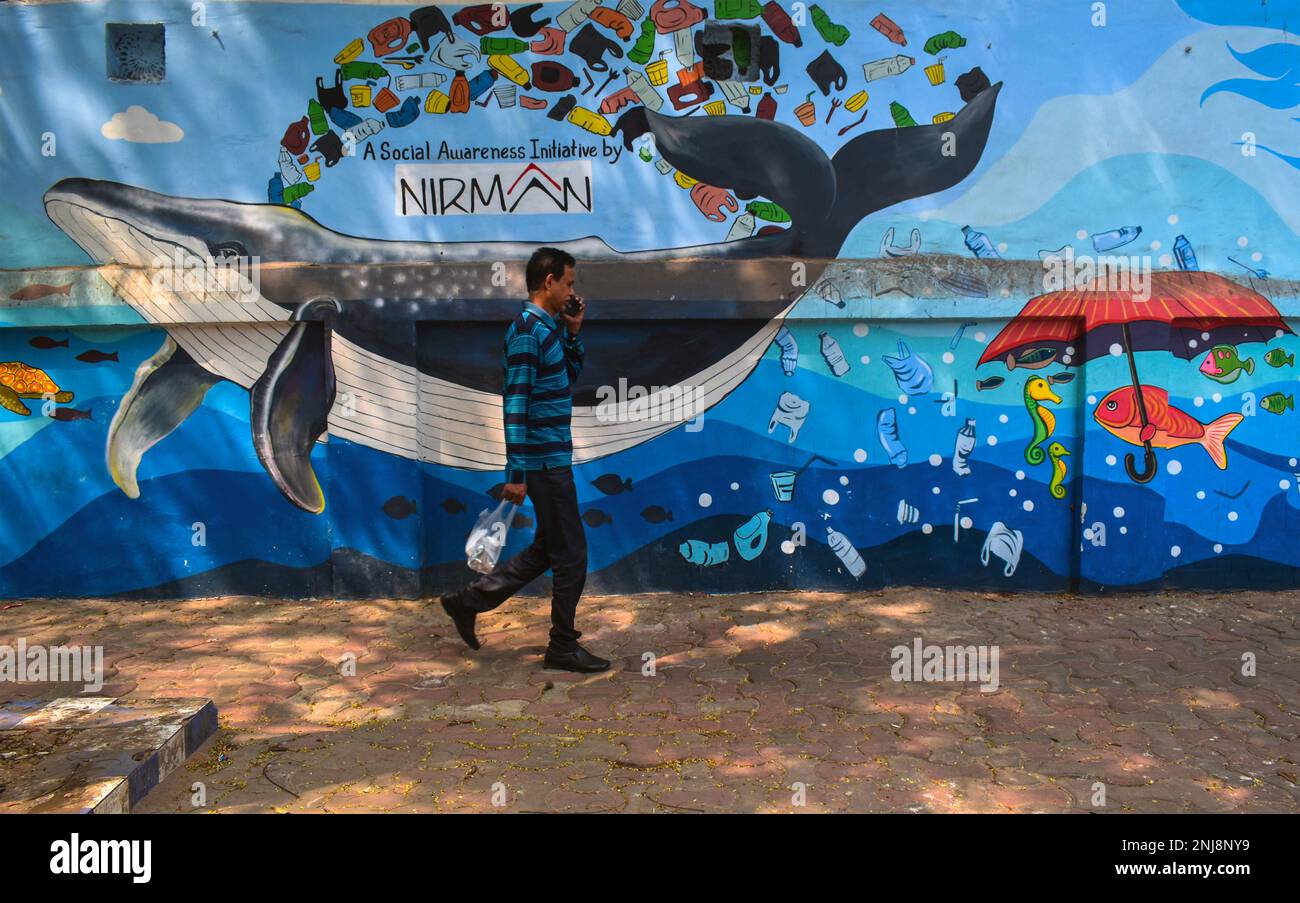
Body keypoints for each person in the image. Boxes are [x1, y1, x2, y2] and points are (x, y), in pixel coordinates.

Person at [440, 248, 610, 673]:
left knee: (546, 550)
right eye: (569, 283)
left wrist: (573, 332)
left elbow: (567, 379)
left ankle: (467, 602)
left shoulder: (549, 329)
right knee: (572, 555)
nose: (573, 291)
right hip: (543, 463)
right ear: (549, 281)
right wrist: (515, 474)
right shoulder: (526, 332)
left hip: (553, 458)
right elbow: (515, 404)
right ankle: (563, 645)